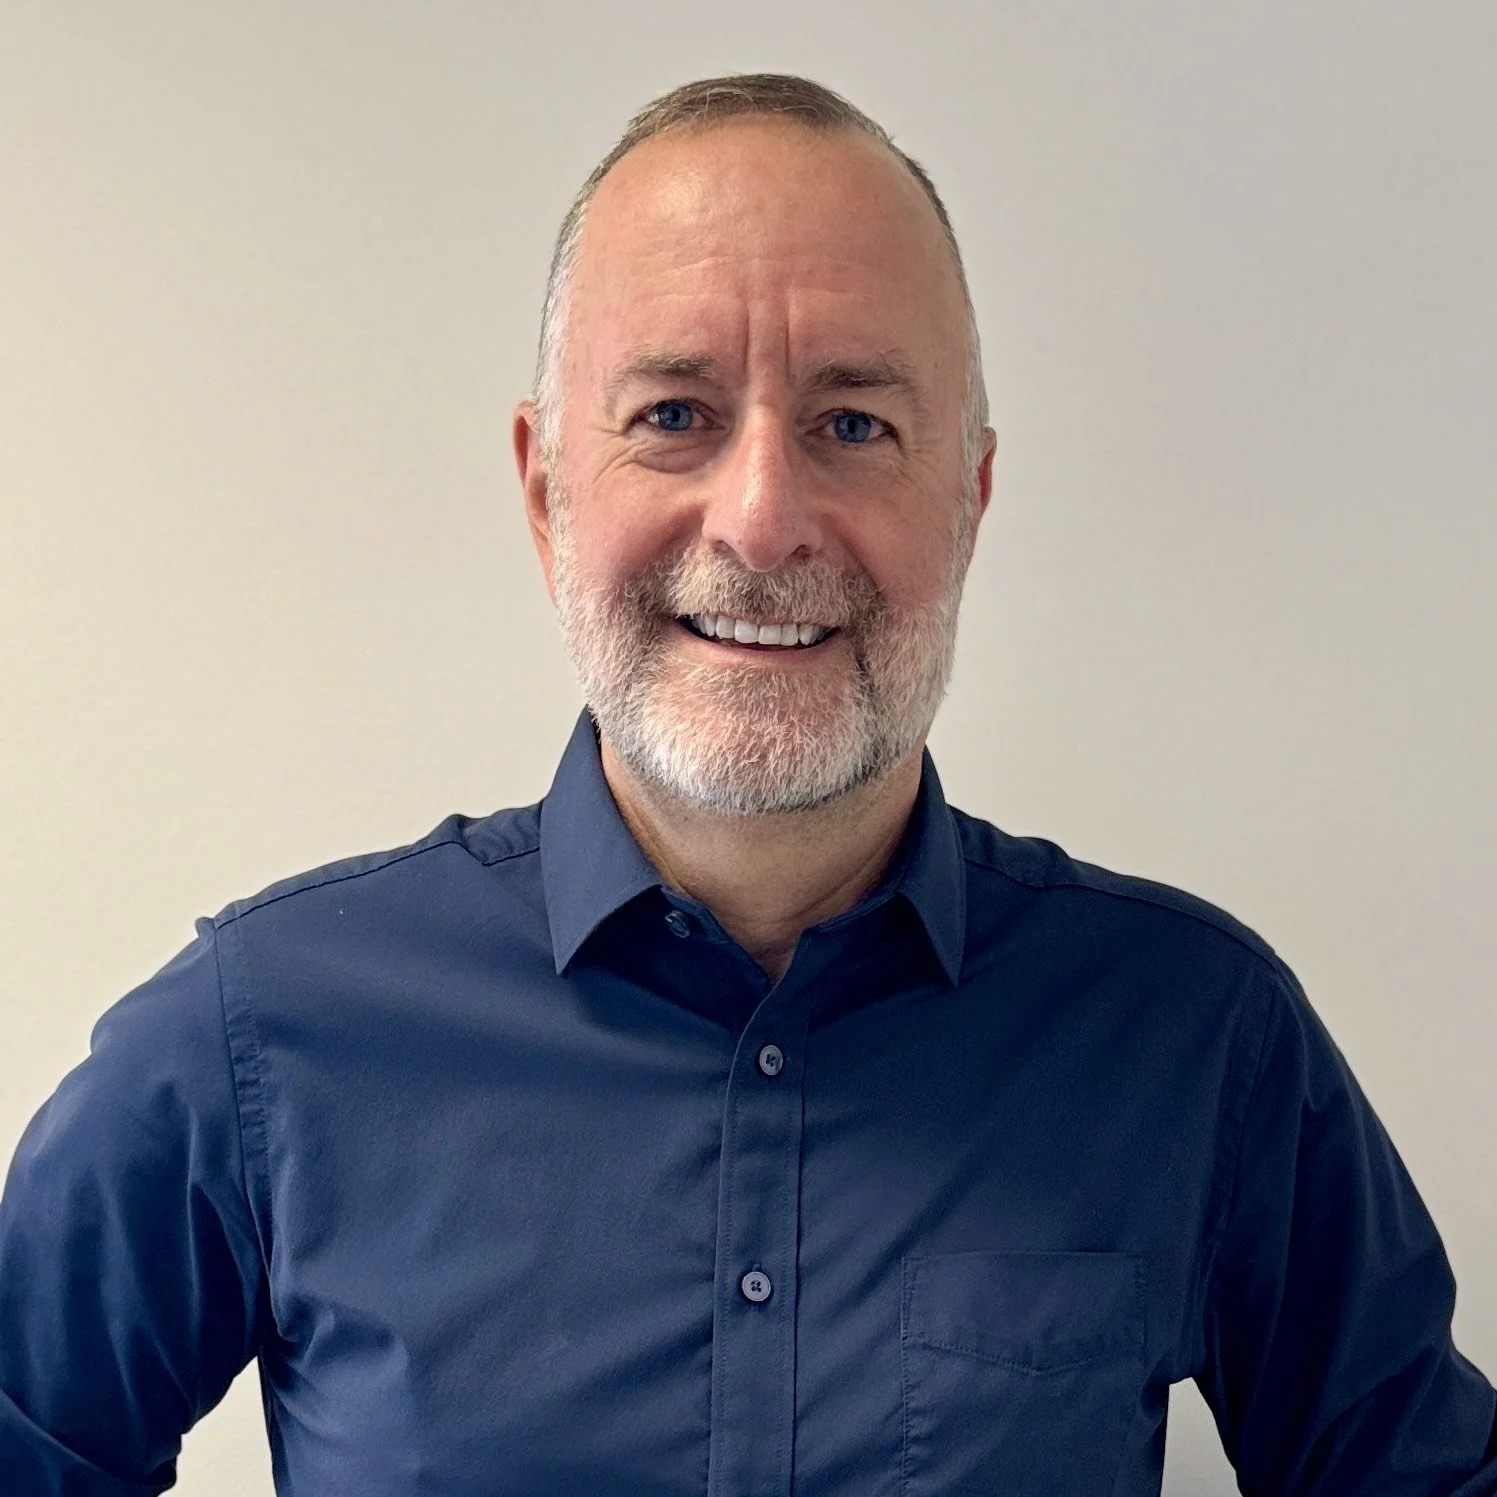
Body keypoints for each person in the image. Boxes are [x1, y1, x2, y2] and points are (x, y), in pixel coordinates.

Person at [1, 71, 1493, 1497]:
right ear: (544, 492)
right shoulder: (258, 1040)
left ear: (968, 497)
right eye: (673, 416)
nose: (766, 516)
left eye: (856, 422)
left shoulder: (1196, 1037)